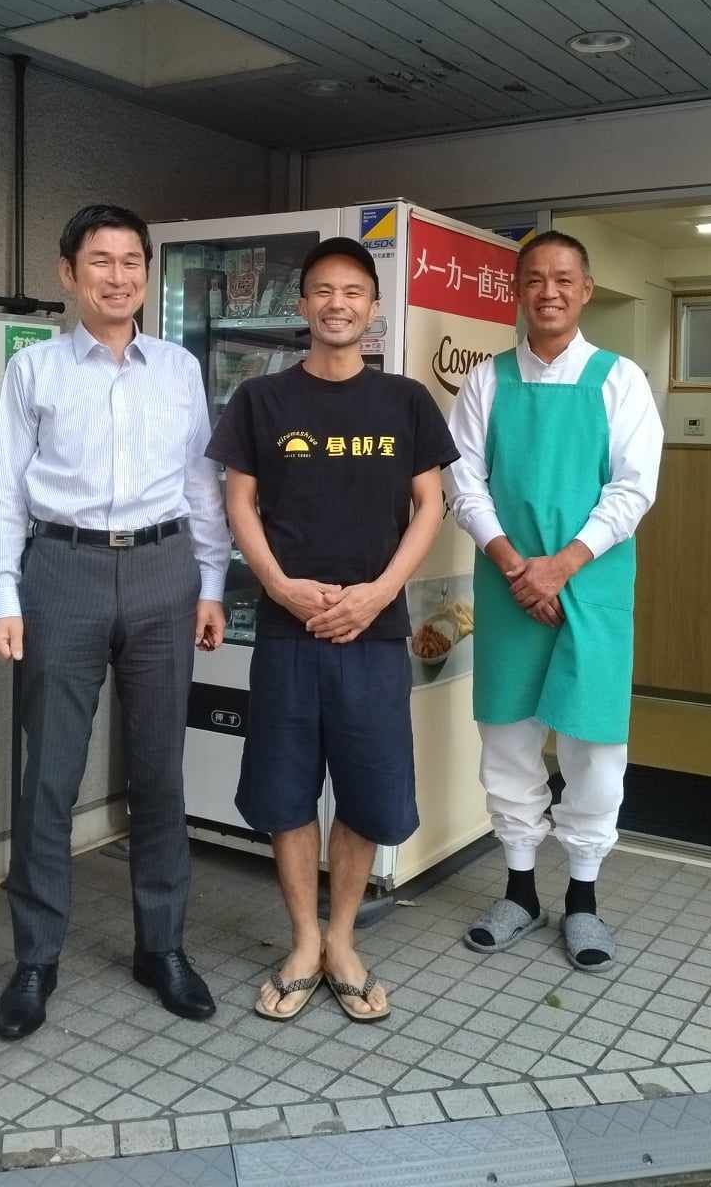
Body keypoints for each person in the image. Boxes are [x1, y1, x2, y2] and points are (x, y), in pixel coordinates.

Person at [0, 203, 230, 1040]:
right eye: (101, 261)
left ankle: (162, 948)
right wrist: (4, 599)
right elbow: (7, 493)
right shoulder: (35, 372)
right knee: (49, 776)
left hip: (164, 571)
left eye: (132, 262)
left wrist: (210, 584)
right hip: (62, 571)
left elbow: (200, 486)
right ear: (68, 272)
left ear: (147, 274)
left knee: (160, 770)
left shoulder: (178, 368)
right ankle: (35, 957)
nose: (118, 277)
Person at [207, 237, 457, 1023]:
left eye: (353, 291)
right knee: (285, 792)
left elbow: (430, 505)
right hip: (288, 633)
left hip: (373, 634)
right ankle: (303, 941)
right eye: (322, 290)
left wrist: (380, 592)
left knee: (366, 789)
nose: (337, 304)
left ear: (373, 308)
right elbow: (238, 502)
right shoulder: (261, 400)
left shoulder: (406, 401)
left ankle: (343, 939)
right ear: (302, 304)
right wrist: (279, 586)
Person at [445, 230, 663, 972]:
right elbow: (462, 482)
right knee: (507, 737)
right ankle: (517, 891)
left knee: (592, 743)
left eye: (564, 279)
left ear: (586, 289)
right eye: (534, 278)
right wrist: (516, 567)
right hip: (508, 583)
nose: (549, 291)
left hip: (591, 586)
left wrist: (561, 567)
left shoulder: (619, 380)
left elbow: (633, 488)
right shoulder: (487, 380)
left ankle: (583, 899)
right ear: (516, 290)